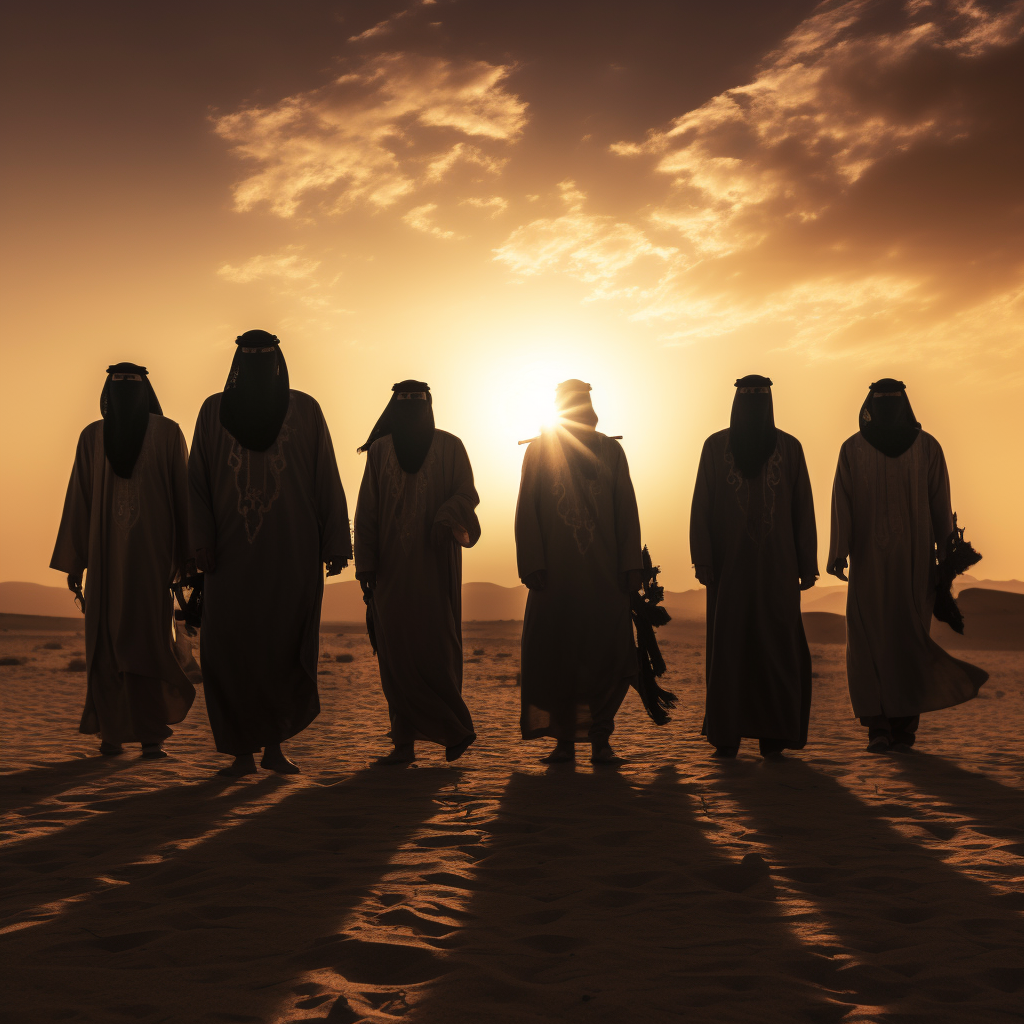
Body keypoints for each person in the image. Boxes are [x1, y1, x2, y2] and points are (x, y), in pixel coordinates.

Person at [188, 331, 350, 776]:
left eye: (266, 358)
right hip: (228, 557)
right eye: (250, 358)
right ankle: (241, 752)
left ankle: (274, 748)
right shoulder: (212, 411)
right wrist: (199, 540)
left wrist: (336, 541)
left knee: (282, 647)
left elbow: (325, 476)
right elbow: (197, 481)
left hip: (292, 553)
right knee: (229, 649)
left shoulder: (306, 410)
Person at [828, 378, 987, 753]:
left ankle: (904, 728)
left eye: (891, 400)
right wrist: (838, 551)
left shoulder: (928, 448)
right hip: (868, 564)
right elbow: (842, 503)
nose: (886, 406)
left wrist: (946, 558)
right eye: (880, 400)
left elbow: (940, 503)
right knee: (869, 640)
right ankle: (878, 727)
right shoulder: (852, 449)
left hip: (916, 566)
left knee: (909, 639)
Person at [50, 363, 197, 758]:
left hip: (153, 562)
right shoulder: (92, 437)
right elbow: (78, 498)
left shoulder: (168, 434)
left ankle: (151, 736)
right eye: (119, 385)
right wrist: (75, 561)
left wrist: (189, 558)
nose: (125, 393)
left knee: (150, 643)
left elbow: (183, 496)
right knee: (108, 644)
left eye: (132, 385)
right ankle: (111, 735)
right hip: (103, 562)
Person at [690, 375, 817, 759]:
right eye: (748, 400)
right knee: (730, 648)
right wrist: (704, 558)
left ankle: (774, 735)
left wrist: (806, 562)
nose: (754, 407)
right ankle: (727, 736)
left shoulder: (791, 449)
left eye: (760, 399)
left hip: (778, 569)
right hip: (729, 571)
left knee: (777, 648)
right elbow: (702, 505)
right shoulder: (714, 448)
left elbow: (802, 508)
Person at [515, 380, 642, 765]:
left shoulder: (611, 451)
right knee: (556, 658)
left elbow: (626, 511)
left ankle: (601, 739)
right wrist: (532, 563)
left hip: (605, 578)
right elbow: (527, 510)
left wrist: (630, 565)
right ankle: (563, 742)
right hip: (555, 580)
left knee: (607, 656)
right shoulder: (539, 451)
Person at [354, 381, 479, 764]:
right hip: (390, 573)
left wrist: (445, 516)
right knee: (396, 655)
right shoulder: (379, 451)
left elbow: (467, 493)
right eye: (405, 404)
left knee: (437, 650)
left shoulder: (451, 447)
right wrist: (366, 565)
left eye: (418, 403)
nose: (412, 412)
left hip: (435, 568)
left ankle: (455, 730)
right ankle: (403, 745)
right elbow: (367, 512)